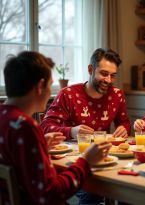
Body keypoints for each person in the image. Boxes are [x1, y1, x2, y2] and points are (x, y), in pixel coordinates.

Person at [0, 51, 112, 205]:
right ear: (40, 86)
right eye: (50, 84)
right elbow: (51, 194)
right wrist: (85, 161)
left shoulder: (5, 117)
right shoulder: (25, 127)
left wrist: (40, 146)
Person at [40, 48, 131, 140]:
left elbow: (125, 123)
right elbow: (45, 127)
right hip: (71, 151)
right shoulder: (67, 94)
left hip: (103, 150)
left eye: (112, 75)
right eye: (104, 74)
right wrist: (71, 132)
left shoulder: (117, 95)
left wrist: (123, 128)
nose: (108, 80)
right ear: (90, 70)